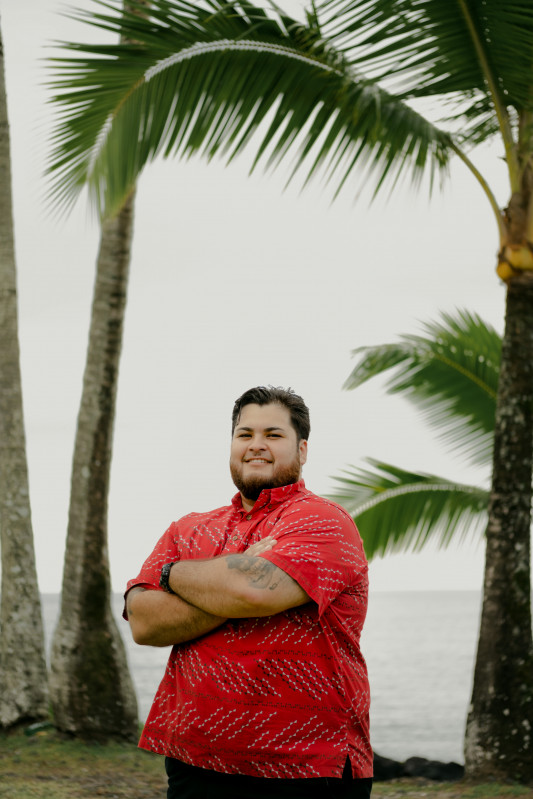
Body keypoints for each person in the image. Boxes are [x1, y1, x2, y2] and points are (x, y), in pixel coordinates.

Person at [124, 386, 373, 799]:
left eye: (273, 435)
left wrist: (175, 577)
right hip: (196, 761)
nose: (256, 445)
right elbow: (145, 623)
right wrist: (209, 576)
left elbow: (251, 593)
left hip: (307, 766)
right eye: (245, 434)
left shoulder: (323, 521)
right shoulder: (188, 528)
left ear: (303, 449)